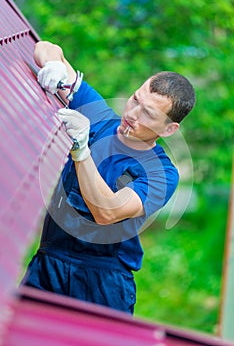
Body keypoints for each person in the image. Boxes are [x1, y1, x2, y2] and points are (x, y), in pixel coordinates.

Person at [21, 41, 196, 314]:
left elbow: (107, 212)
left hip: (102, 285)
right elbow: (46, 48)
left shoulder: (161, 173)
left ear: (169, 128)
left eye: (148, 114)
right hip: (48, 266)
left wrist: (82, 150)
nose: (132, 114)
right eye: (136, 99)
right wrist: (53, 64)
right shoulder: (99, 118)